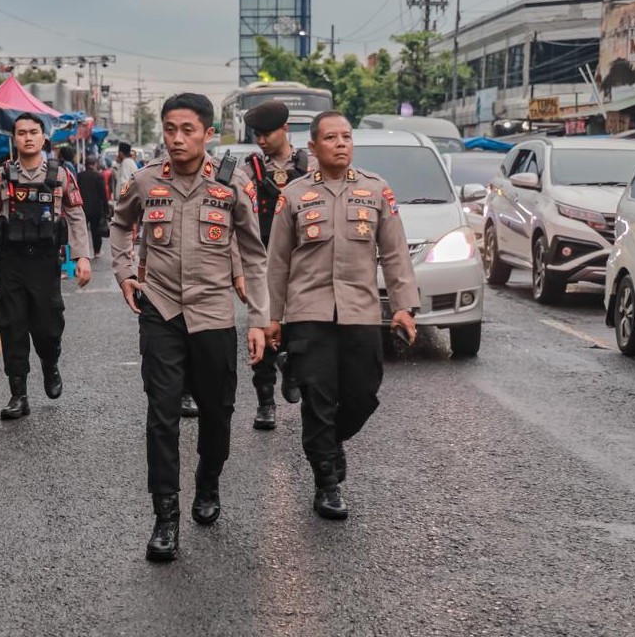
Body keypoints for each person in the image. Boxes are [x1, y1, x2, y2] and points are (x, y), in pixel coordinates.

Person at [111, 92, 268, 562]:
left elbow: (255, 255)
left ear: (207, 134)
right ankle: (165, 517)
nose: (177, 139)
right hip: (160, 311)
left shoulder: (230, 183)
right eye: (170, 130)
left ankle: (208, 481)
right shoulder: (144, 181)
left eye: (188, 131)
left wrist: (259, 319)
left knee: (218, 414)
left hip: (214, 313)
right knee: (161, 416)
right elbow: (119, 227)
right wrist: (124, 274)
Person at [265, 111, 418, 521]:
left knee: (363, 394)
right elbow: (277, 261)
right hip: (308, 312)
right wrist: (272, 317)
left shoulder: (375, 190)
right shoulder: (294, 195)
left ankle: (330, 443)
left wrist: (403, 306)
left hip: (360, 312)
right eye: (331, 138)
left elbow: (395, 252)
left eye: (346, 137)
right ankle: (327, 483)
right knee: (317, 399)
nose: (341, 144)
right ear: (313, 147)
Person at [0, 113, 92, 420]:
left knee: (48, 324)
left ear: (44, 137)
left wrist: (82, 256)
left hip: (45, 262)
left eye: (33, 132)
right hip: (11, 262)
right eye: (21, 133)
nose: (27, 137)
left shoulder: (61, 174)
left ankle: (50, 363)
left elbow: (77, 214)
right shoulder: (0, 177)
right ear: (14, 139)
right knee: (12, 326)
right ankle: (18, 394)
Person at [238, 101, 314, 430]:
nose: (262, 140)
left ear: (285, 129)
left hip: (303, 255)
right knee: (265, 324)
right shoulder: (248, 166)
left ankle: (293, 369)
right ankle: (265, 402)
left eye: (267, 133)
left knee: (300, 325)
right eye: (257, 134)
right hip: (263, 256)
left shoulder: (308, 165)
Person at [77, 155, 109, 257]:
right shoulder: (98, 176)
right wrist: (106, 209)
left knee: (82, 232)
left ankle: (82, 253)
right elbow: (103, 194)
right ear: (95, 164)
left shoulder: (79, 175)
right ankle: (97, 251)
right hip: (96, 208)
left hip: (82, 207)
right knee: (96, 231)